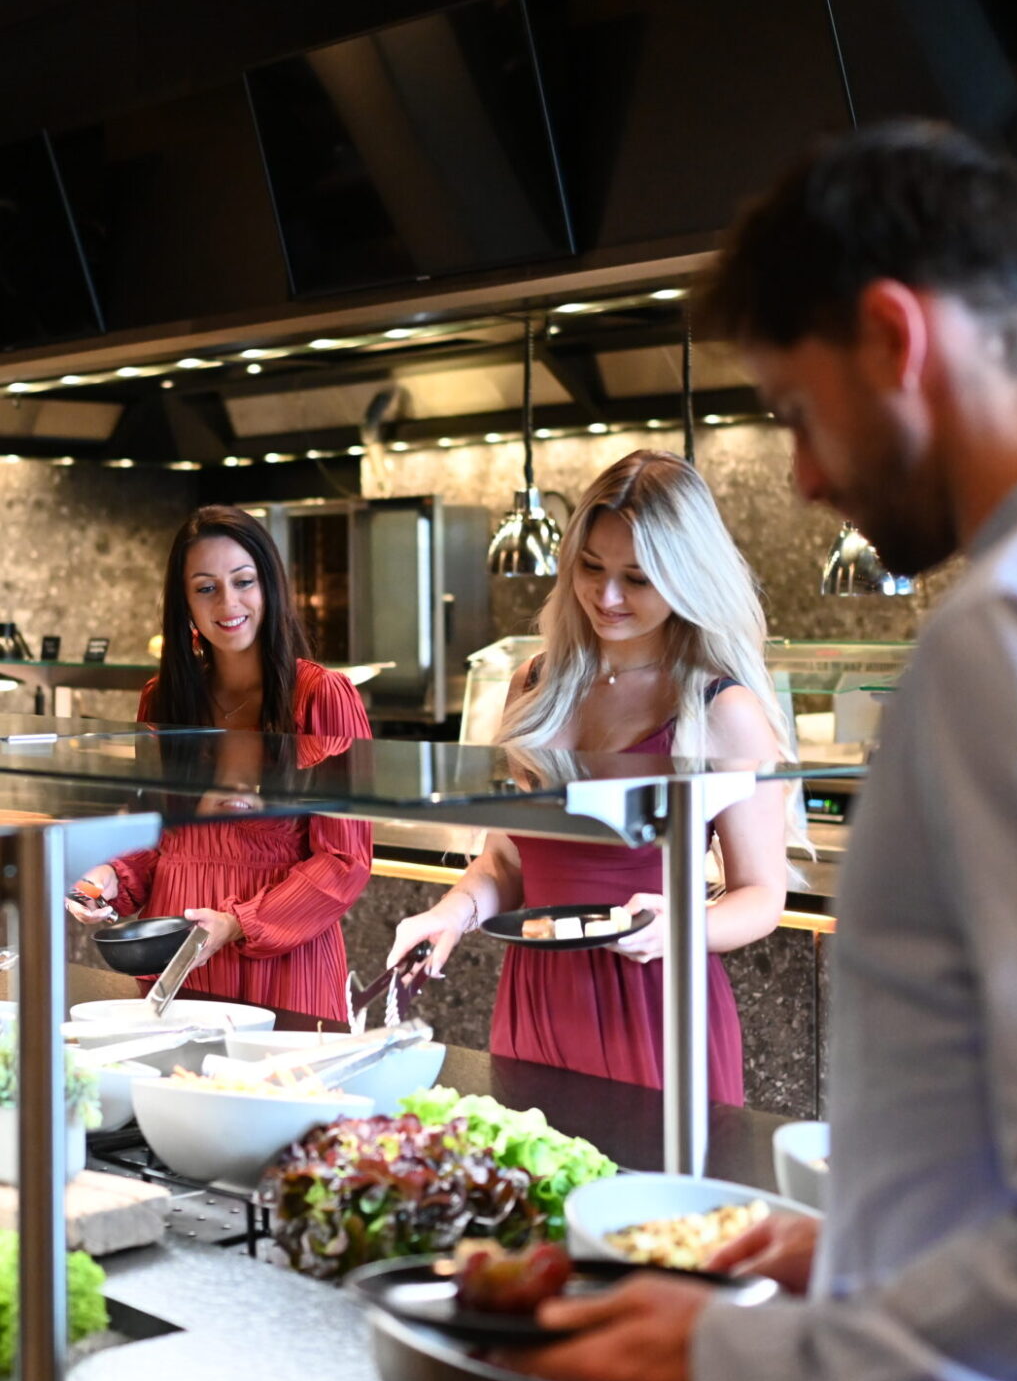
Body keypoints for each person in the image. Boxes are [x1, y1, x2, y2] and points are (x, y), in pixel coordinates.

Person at [512, 121, 1017, 1381]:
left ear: (897, 338)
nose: (802, 476)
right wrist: (866, 1250)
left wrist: (745, 1376)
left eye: (798, 412)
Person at [386, 450, 793, 1104]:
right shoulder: (535, 685)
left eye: (637, 578)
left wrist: (679, 926)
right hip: (536, 995)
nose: (606, 597)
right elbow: (506, 862)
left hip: (654, 1001)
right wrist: (449, 915)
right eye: (591, 567)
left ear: (687, 578)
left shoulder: (723, 708)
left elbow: (762, 895)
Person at [66, 504, 372, 1023]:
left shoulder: (321, 696)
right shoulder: (162, 698)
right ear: (184, 602)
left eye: (243, 581)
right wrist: (112, 875)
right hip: (177, 952)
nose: (228, 603)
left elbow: (345, 861)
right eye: (206, 588)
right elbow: (160, 834)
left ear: (269, 586)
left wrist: (238, 923)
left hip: (280, 959)